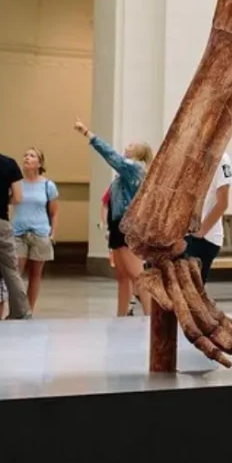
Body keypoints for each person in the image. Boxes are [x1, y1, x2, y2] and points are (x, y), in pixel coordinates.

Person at [75, 119, 154, 316]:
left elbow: (111, 156)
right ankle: (120, 316)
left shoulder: (134, 168)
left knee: (137, 274)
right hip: (117, 224)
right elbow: (109, 201)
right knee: (122, 275)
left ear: (139, 153)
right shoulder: (123, 175)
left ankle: (151, 317)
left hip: (128, 225)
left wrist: (88, 134)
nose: (126, 147)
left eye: (131, 145)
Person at [0, 128, 32, 320]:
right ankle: (21, 311)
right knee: (10, 268)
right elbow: (18, 197)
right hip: (0, 220)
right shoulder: (9, 163)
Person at [12, 148, 58, 312]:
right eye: (25, 155)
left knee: (35, 274)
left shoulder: (48, 185)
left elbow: (54, 212)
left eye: (32, 156)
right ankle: (17, 307)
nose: (27, 157)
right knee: (16, 273)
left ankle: (29, 310)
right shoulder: (16, 183)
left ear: (39, 163)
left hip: (40, 233)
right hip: (18, 233)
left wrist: (53, 233)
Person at [184, 153, 232, 283]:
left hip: (204, 237)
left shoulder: (221, 158)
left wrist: (201, 232)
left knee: (193, 290)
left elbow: (223, 203)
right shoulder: (194, 155)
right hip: (186, 234)